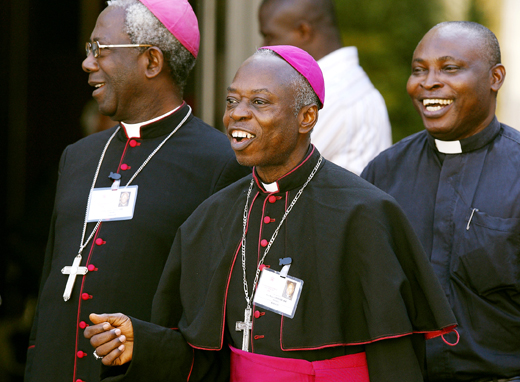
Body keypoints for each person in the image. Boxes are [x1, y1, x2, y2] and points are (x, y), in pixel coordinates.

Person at [84, 45, 457, 382]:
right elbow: (202, 357)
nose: (237, 116)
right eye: (232, 102)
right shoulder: (210, 218)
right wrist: (142, 342)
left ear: (306, 117)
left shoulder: (364, 213)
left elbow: (393, 357)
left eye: (259, 102)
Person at [24, 1, 249, 381]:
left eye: (100, 49)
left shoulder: (220, 164)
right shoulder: (78, 157)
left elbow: (218, 319)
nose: (88, 63)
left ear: (151, 62)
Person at [362, 21, 520, 382]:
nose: (428, 82)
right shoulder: (383, 173)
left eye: (449, 68)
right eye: (419, 70)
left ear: (495, 77)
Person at [258, 0, 392, 175]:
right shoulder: (339, 90)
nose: (263, 48)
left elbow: (271, 171)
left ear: (303, 31)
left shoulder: (338, 98)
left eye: (270, 36)